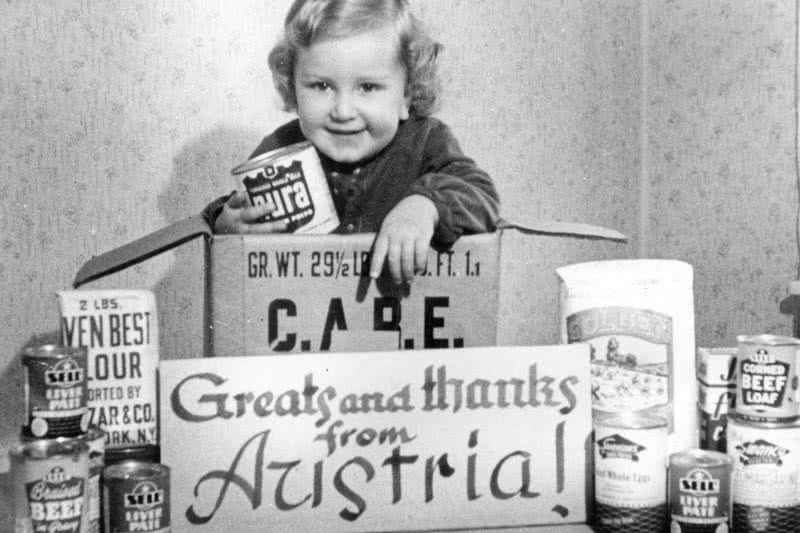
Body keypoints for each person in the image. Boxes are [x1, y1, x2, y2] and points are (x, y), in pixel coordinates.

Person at [204, 0, 500, 285]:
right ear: (293, 87)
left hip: (398, 319)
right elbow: (237, 207)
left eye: (368, 87)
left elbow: (481, 194)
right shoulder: (282, 148)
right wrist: (226, 225)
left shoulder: (425, 140)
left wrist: (423, 207)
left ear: (407, 95)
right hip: (306, 321)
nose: (343, 112)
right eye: (321, 86)